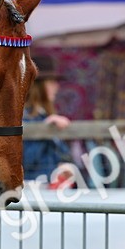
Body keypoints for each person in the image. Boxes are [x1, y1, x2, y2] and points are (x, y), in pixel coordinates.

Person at [22, 55, 74, 184]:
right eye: (51, 82)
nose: (56, 87)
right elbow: (25, 160)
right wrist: (43, 131)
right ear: (38, 86)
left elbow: (64, 155)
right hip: (30, 188)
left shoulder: (44, 115)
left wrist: (65, 167)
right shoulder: (22, 118)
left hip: (49, 186)